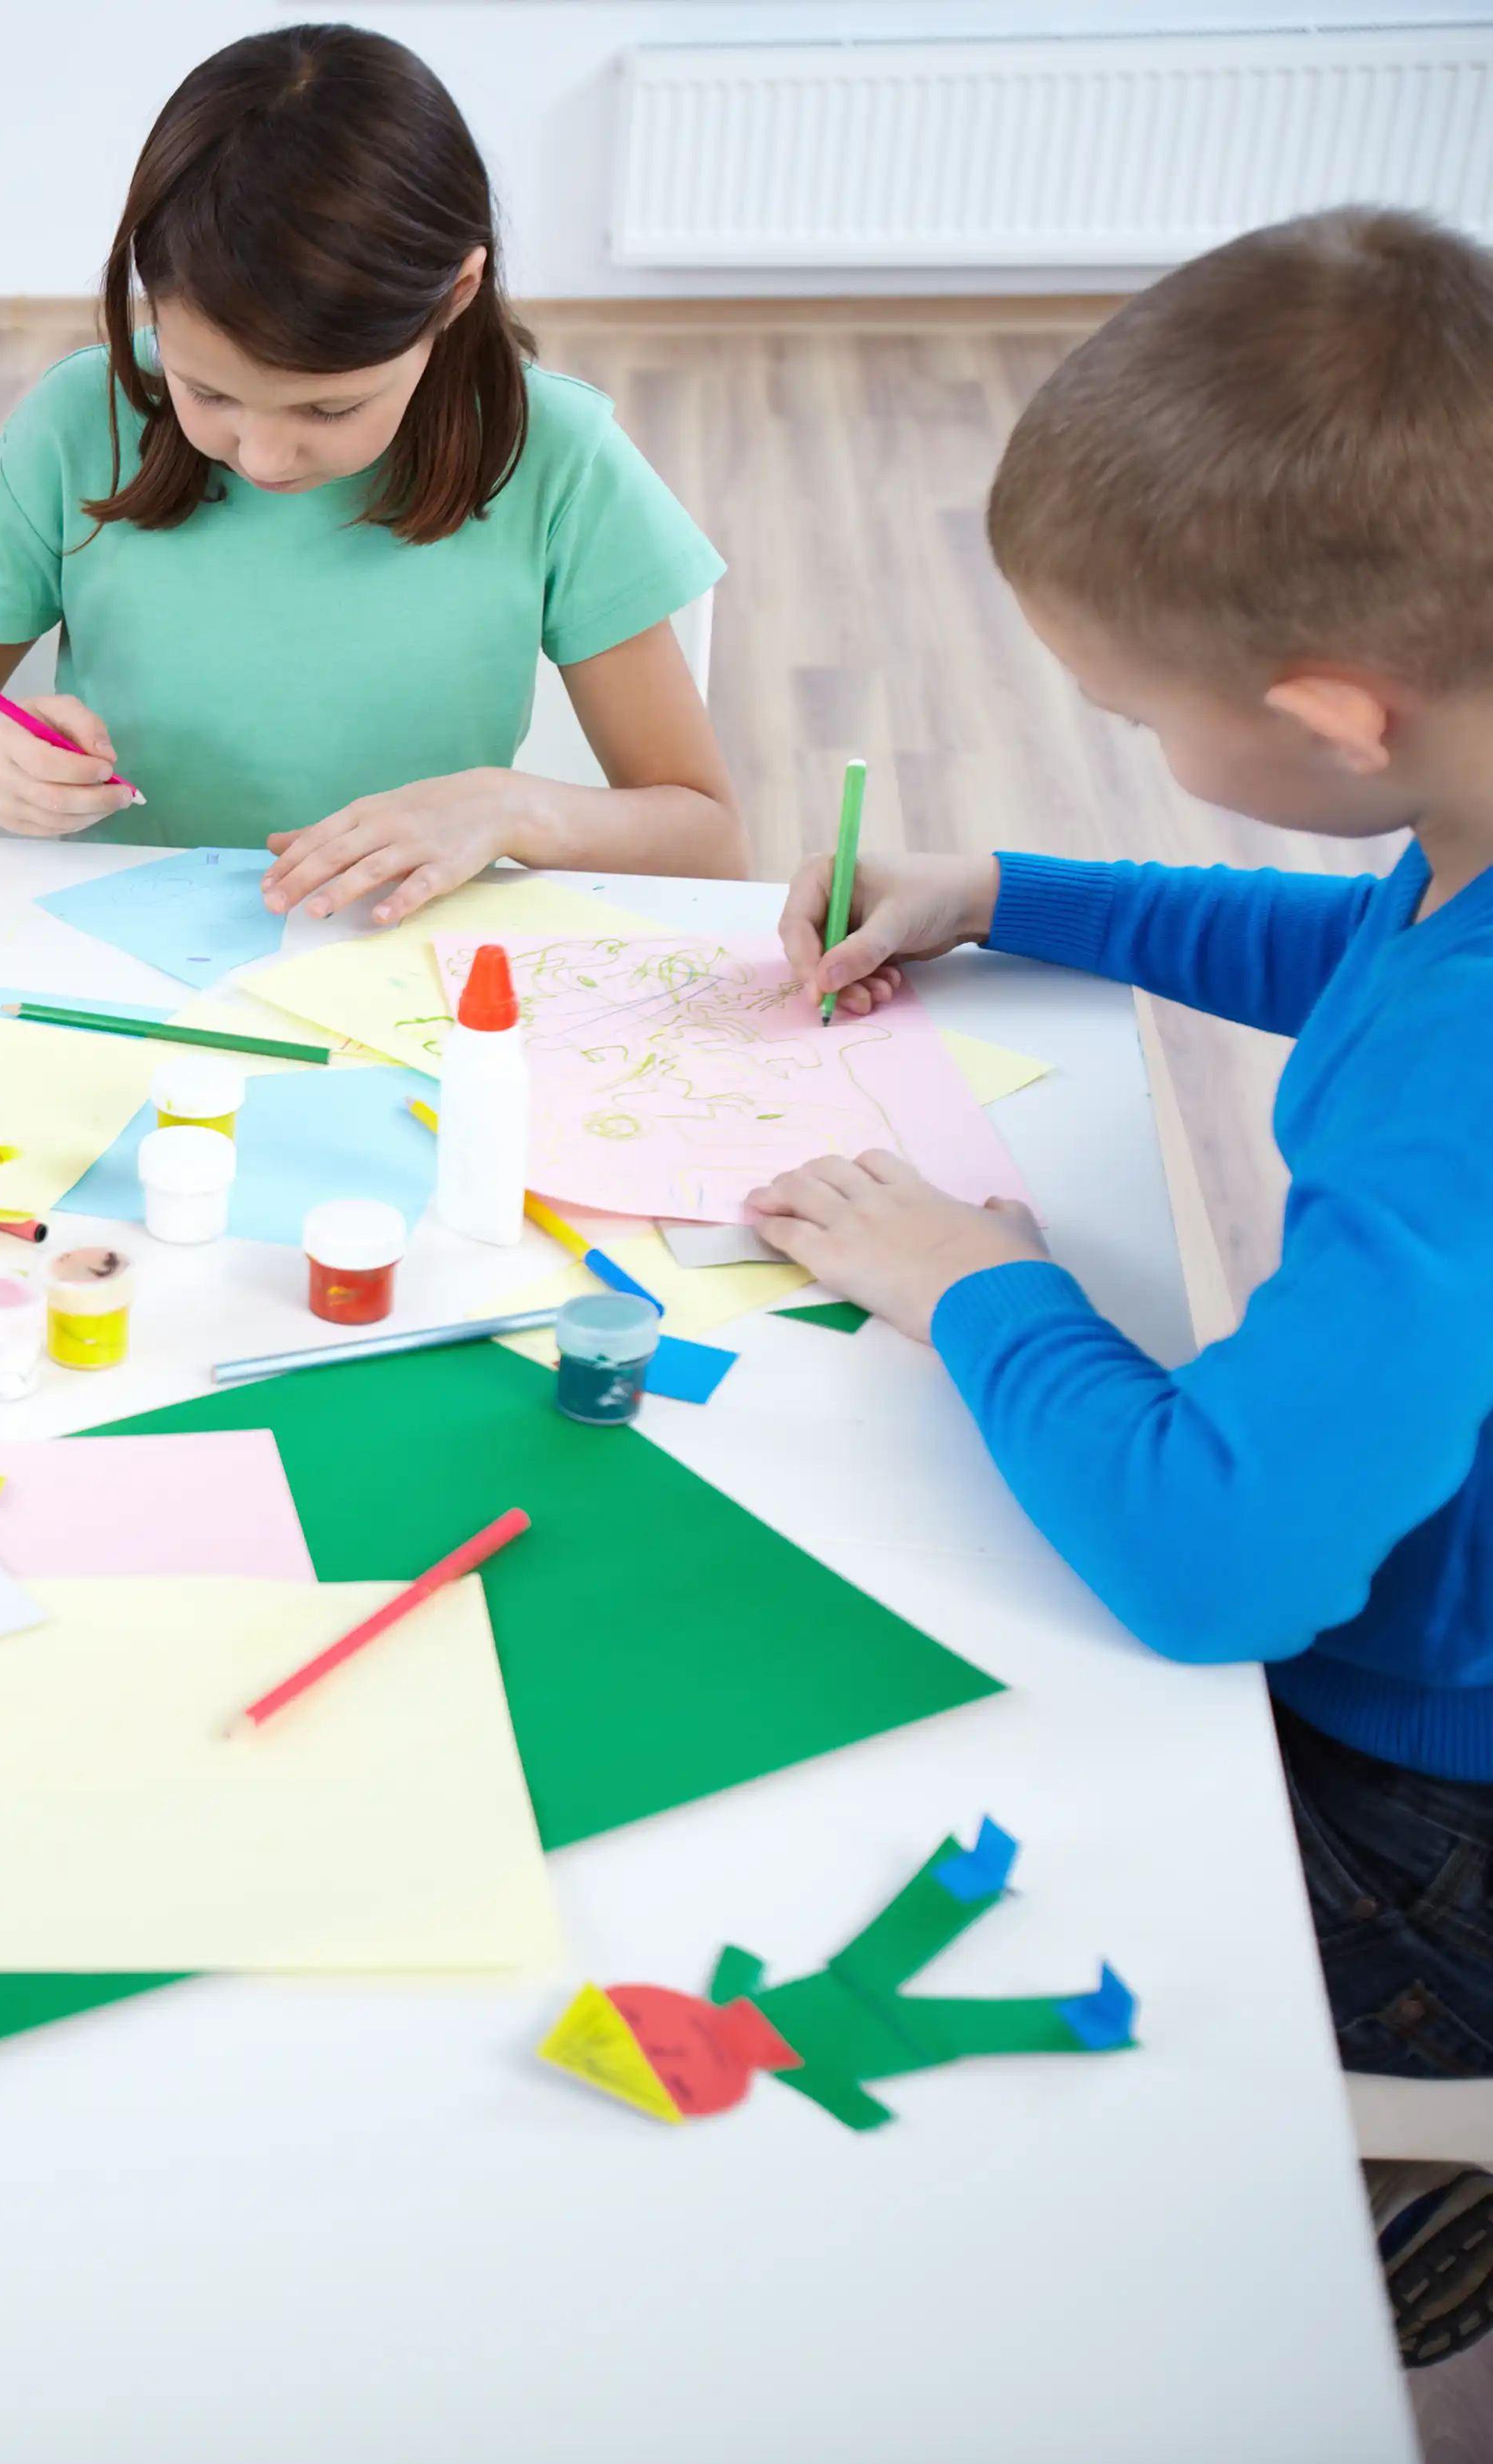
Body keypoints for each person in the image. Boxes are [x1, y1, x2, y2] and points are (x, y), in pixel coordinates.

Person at [739, 211, 1493, 2367]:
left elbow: (1216, 1554)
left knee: (895, 1858)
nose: (1120, 737)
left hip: (1436, 1823)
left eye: (1125, 715)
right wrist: (1008, 886)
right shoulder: (1468, 818)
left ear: (1335, 715)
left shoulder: (1466, 1088)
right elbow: (1376, 951)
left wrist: (984, 1285)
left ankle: (1385, 2188)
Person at [0, 22, 741, 926]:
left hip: (407, 973)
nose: (264, 457)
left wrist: (511, 808)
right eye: (207, 391)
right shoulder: (79, 422)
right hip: (112, 962)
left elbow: (708, 842)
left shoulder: (554, 455)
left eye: (328, 409)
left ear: (457, 296)